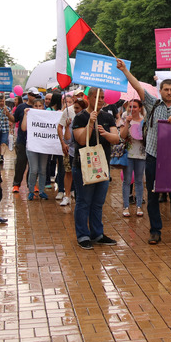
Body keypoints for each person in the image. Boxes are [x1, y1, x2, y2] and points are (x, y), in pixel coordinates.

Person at [117, 59, 171, 245]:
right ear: (161, 91)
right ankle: (155, 231)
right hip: (154, 156)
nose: (169, 92)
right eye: (166, 89)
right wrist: (125, 70)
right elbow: (137, 86)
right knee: (153, 195)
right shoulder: (152, 104)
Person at [72, 87, 120, 249]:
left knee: (98, 202)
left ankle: (97, 233)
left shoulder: (107, 116)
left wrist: (106, 134)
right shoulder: (80, 117)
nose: (102, 100)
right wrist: (90, 123)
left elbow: (116, 139)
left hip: (103, 165)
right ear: (91, 98)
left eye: (103, 98)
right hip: (83, 166)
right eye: (99, 98)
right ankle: (83, 235)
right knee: (84, 201)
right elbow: (79, 140)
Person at [119, 98, 146, 217]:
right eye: (130, 106)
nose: (132, 109)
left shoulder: (144, 121)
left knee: (139, 181)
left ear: (140, 108)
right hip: (128, 155)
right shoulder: (125, 120)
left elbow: (147, 137)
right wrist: (127, 124)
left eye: (135, 106)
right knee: (127, 181)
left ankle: (139, 206)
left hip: (141, 155)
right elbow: (122, 136)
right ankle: (126, 207)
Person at [22, 96, 51, 201]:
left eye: (40, 106)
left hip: (43, 146)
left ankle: (42, 191)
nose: (38, 108)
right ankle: (31, 191)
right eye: (36, 106)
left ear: (43, 107)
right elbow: (23, 128)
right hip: (32, 146)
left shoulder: (47, 115)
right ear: (32, 106)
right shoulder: (29, 115)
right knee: (33, 169)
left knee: (42, 170)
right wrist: (26, 114)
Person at [12, 88, 40, 193]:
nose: (34, 97)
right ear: (28, 95)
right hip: (22, 141)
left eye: (36, 96)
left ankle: (32, 184)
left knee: (33, 165)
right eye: (32, 95)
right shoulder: (21, 107)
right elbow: (14, 119)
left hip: (36, 140)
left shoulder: (39, 108)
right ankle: (16, 185)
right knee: (21, 163)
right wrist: (7, 114)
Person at [0, 92, 15, 165]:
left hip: (5, 128)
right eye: (0, 101)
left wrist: (11, 129)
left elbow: (11, 119)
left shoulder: (7, 109)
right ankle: (0, 154)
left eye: (3, 101)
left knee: (4, 143)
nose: (2, 102)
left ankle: (2, 156)